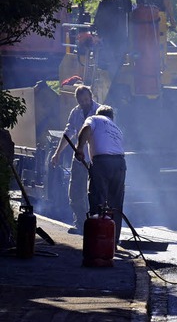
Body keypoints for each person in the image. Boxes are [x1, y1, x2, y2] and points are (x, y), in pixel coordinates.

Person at [51, 85, 100, 234]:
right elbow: (68, 133)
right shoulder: (75, 112)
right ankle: (81, 225)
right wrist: (57, 153)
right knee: (75, 193)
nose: (84, 103)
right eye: (81, 101)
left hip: (95, 159)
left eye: (86, 99)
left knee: (93, 194)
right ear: (77, 100)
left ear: (91, 97)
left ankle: (95, 225)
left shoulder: (99, 111)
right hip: (79, 158)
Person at [74, 105, 126, 246]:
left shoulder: (94, 119)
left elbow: (86, 129)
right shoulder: (116, 128)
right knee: (115, 204)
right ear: (111, 117)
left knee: (98, 200)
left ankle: (97, 239)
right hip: (120, 163)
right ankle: (112, 241)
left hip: (102, 162)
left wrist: (79, 148)